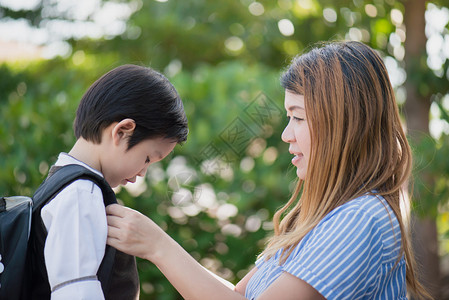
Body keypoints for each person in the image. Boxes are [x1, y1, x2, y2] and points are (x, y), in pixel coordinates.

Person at [106, 41, 430, 299]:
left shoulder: (361, 218)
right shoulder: (320, 218)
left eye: (298, 117)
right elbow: (236, 296)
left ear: (344, 123)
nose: (286, 134)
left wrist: (159, 247)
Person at [29, 64, 188, 299]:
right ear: (123, 131)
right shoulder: (81, 194)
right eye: (147, 158)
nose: (143, 172)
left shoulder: (63, 181)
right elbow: (77, 293)